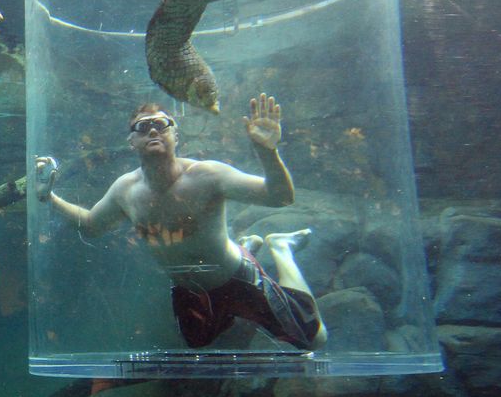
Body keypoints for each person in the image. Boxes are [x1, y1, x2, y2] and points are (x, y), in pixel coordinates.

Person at [33, 94, 326, 351]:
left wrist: (267, 151)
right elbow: (92, 225)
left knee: (313, 341)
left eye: (161, 124)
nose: (152, 130)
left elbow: (280, 197)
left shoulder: (208, 175)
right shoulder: (125, 190)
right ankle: (247, 244)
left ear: (176, 136)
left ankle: (280, 247)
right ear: (131, 141)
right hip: (189, 291)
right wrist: (49, 198)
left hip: (235, 276)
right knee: (200, 345)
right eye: (142, 126)